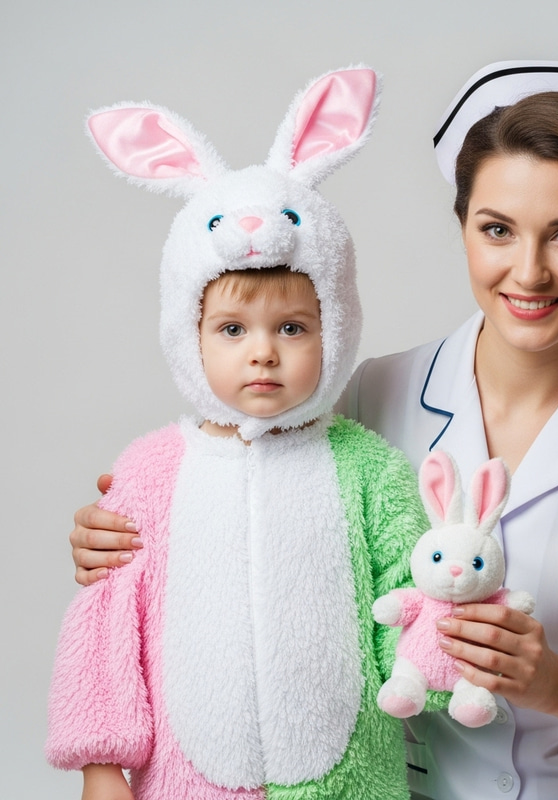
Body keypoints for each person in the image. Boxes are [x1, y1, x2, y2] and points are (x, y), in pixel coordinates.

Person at [68, 61, 558, 799]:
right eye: (498, 229)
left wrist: (551, 680)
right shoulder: (372, 394)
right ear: (463, 227)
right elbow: (249, 539)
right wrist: (129, 536)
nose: (528, 272)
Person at [48, 69, 430, 800]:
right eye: (231, 329)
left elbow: (407, 595)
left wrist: (440, 660)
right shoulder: (151, 471)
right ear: (187, 333)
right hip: (187, 781)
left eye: (293, 327)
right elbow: (106, 626)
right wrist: (102, 765)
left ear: (336, 325)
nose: (263, 351)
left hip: (349, 780)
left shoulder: (368, 470)